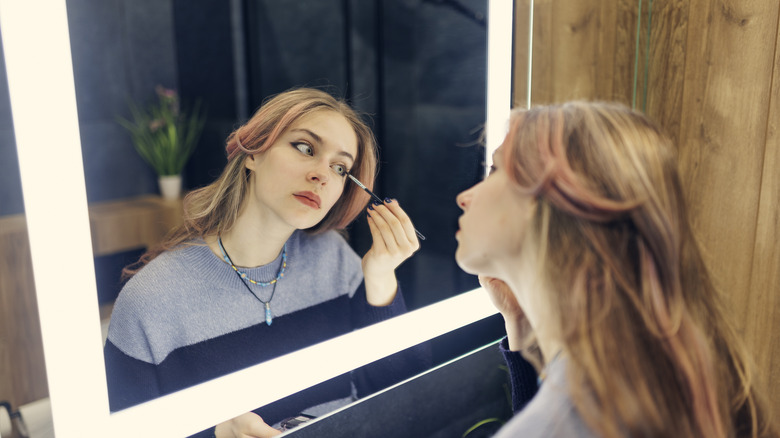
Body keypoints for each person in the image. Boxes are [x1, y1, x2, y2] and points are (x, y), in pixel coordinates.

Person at [104, 88, 428, 437]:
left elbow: (400, 398)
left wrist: (379, 279)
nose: (322, 174)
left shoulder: (332, 258)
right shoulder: (150, 300)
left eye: (339, 167)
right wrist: (216, 433)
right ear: (253, 154)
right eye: (305, 148)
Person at [454, 101, 778, 438]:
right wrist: (519, 321)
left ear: (547, 205)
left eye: (495, 170)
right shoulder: (671, 377)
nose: (466, 197)